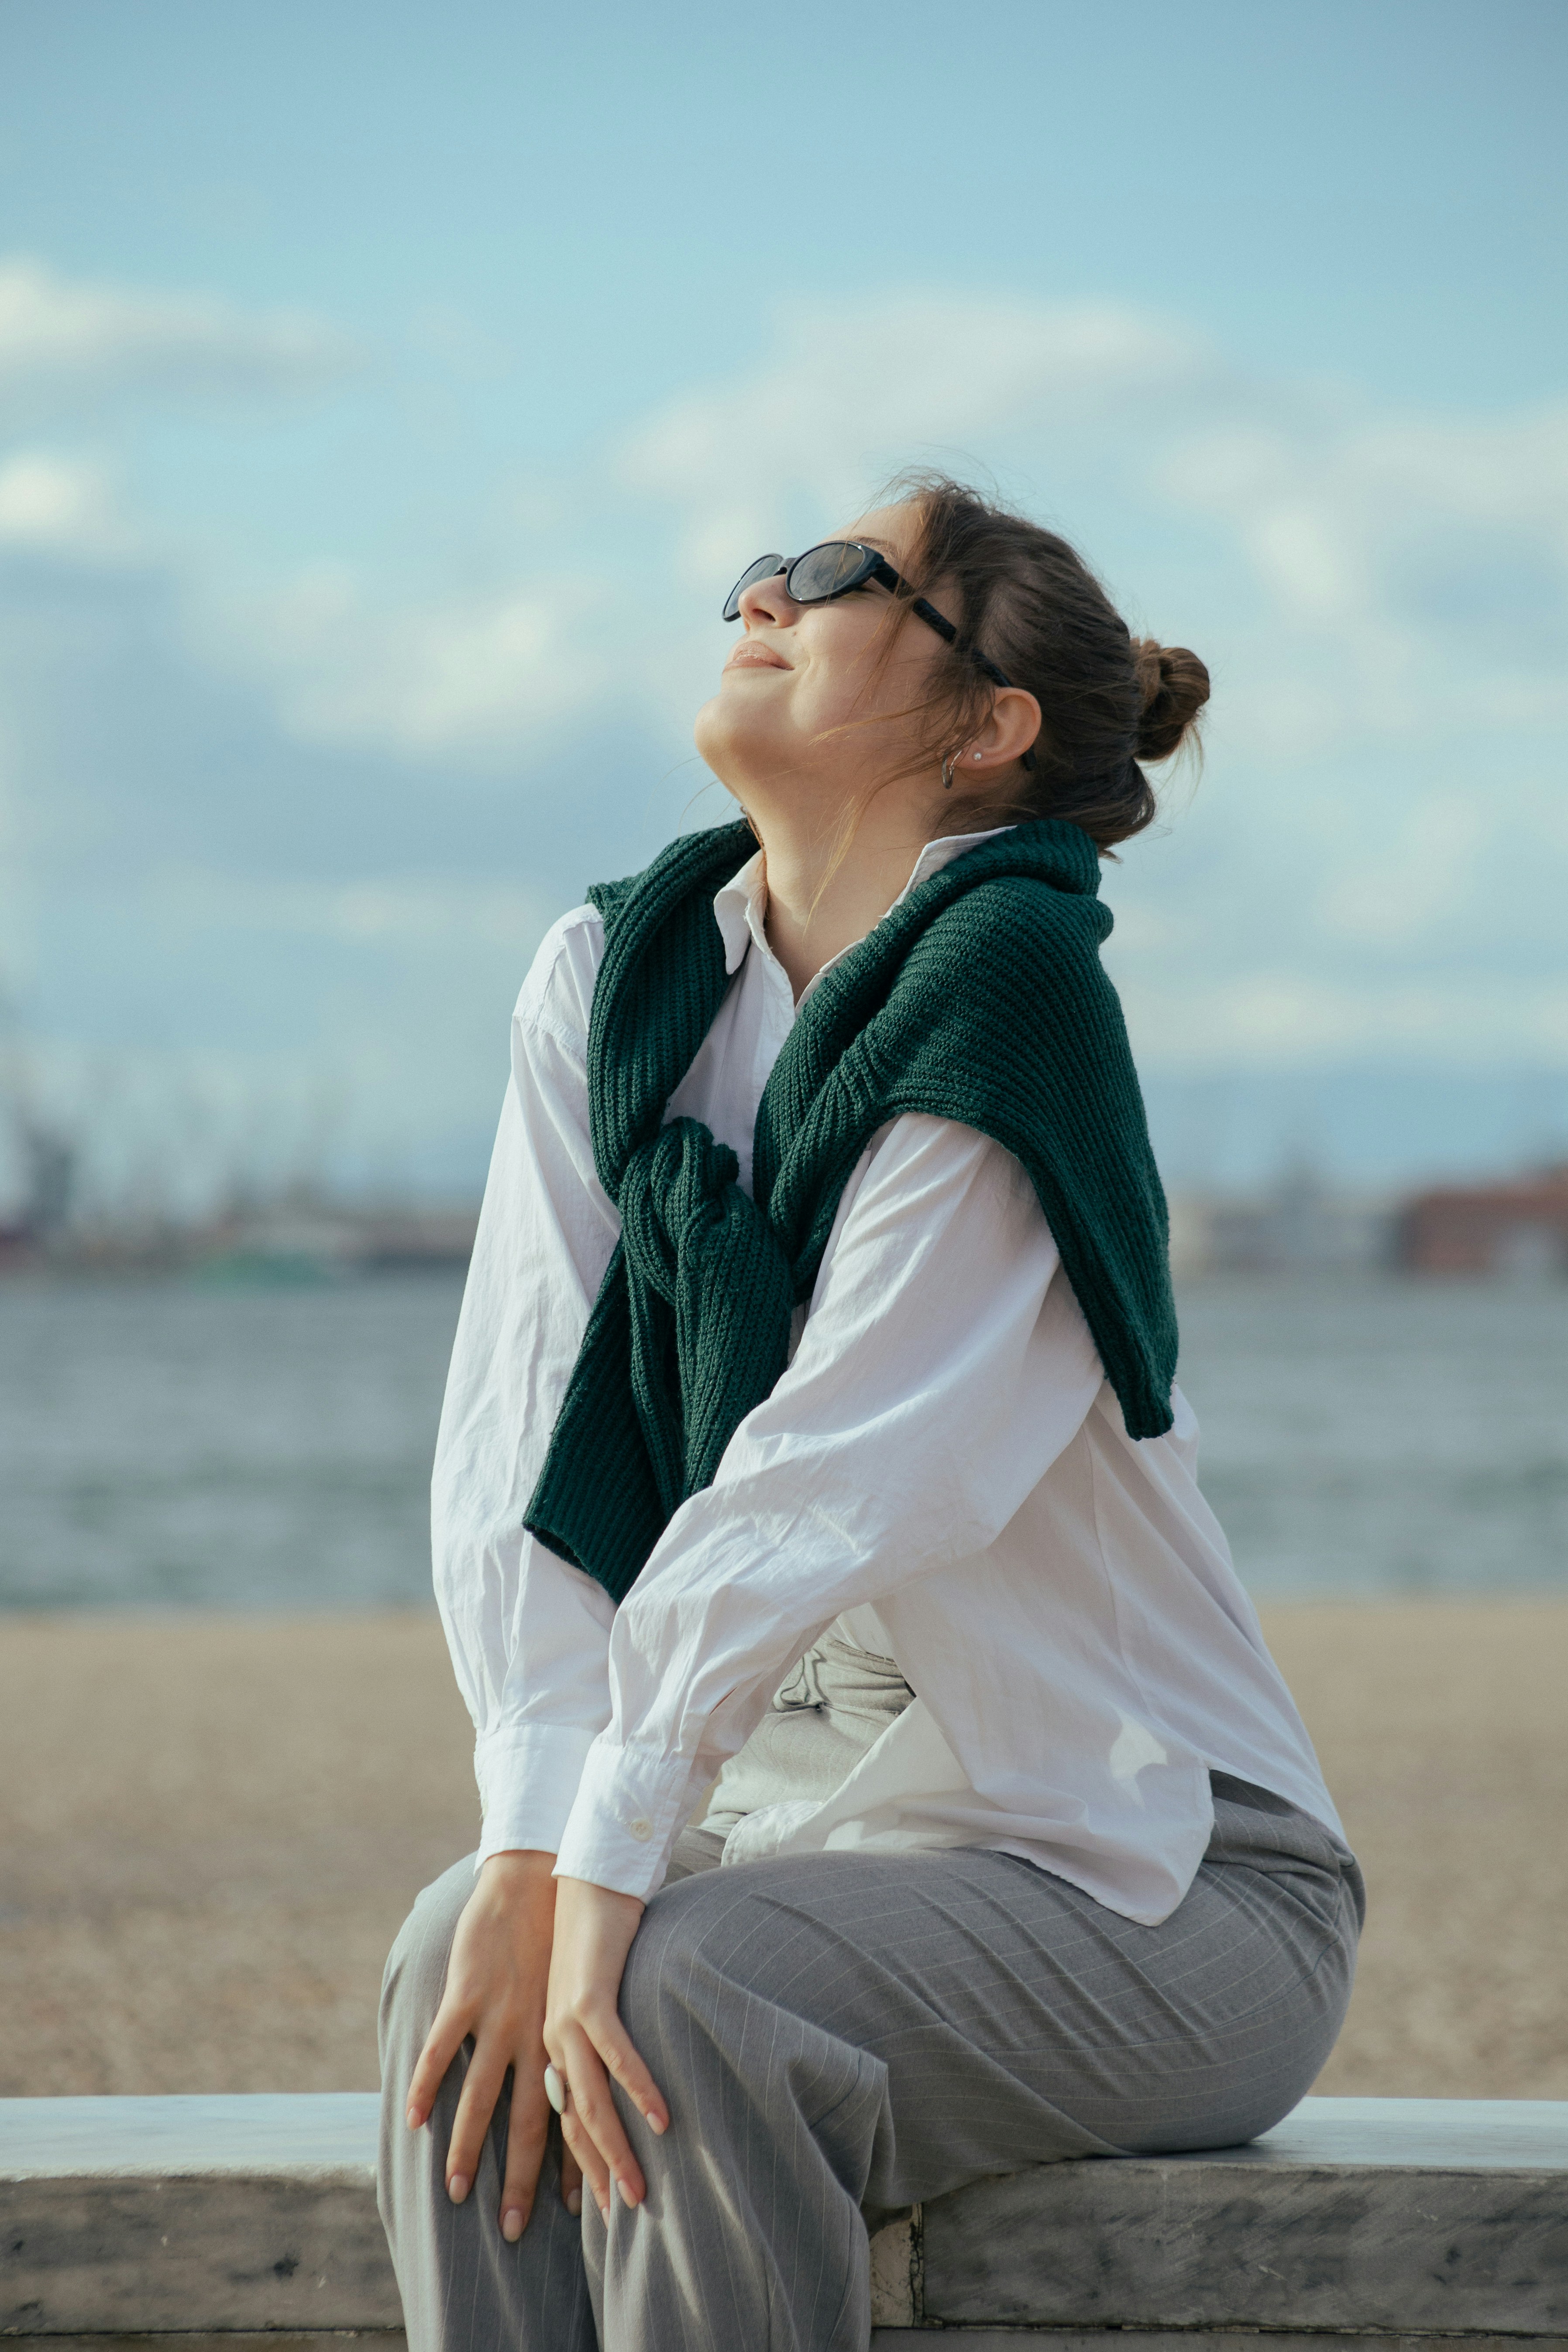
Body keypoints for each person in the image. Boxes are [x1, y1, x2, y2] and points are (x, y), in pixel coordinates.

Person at [377, 475, 1364, 2352]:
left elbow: (846, 1473)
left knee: (688, 1994)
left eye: (839, 577)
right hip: (827, 1857)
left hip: (1170, 1882)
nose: (761, 587)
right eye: (771, 562)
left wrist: (614, 1855)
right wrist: (537, 1850)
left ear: (984, 726)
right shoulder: (610, 984)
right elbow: (514, 1447)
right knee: (458, 1961)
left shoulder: (1007, 991)